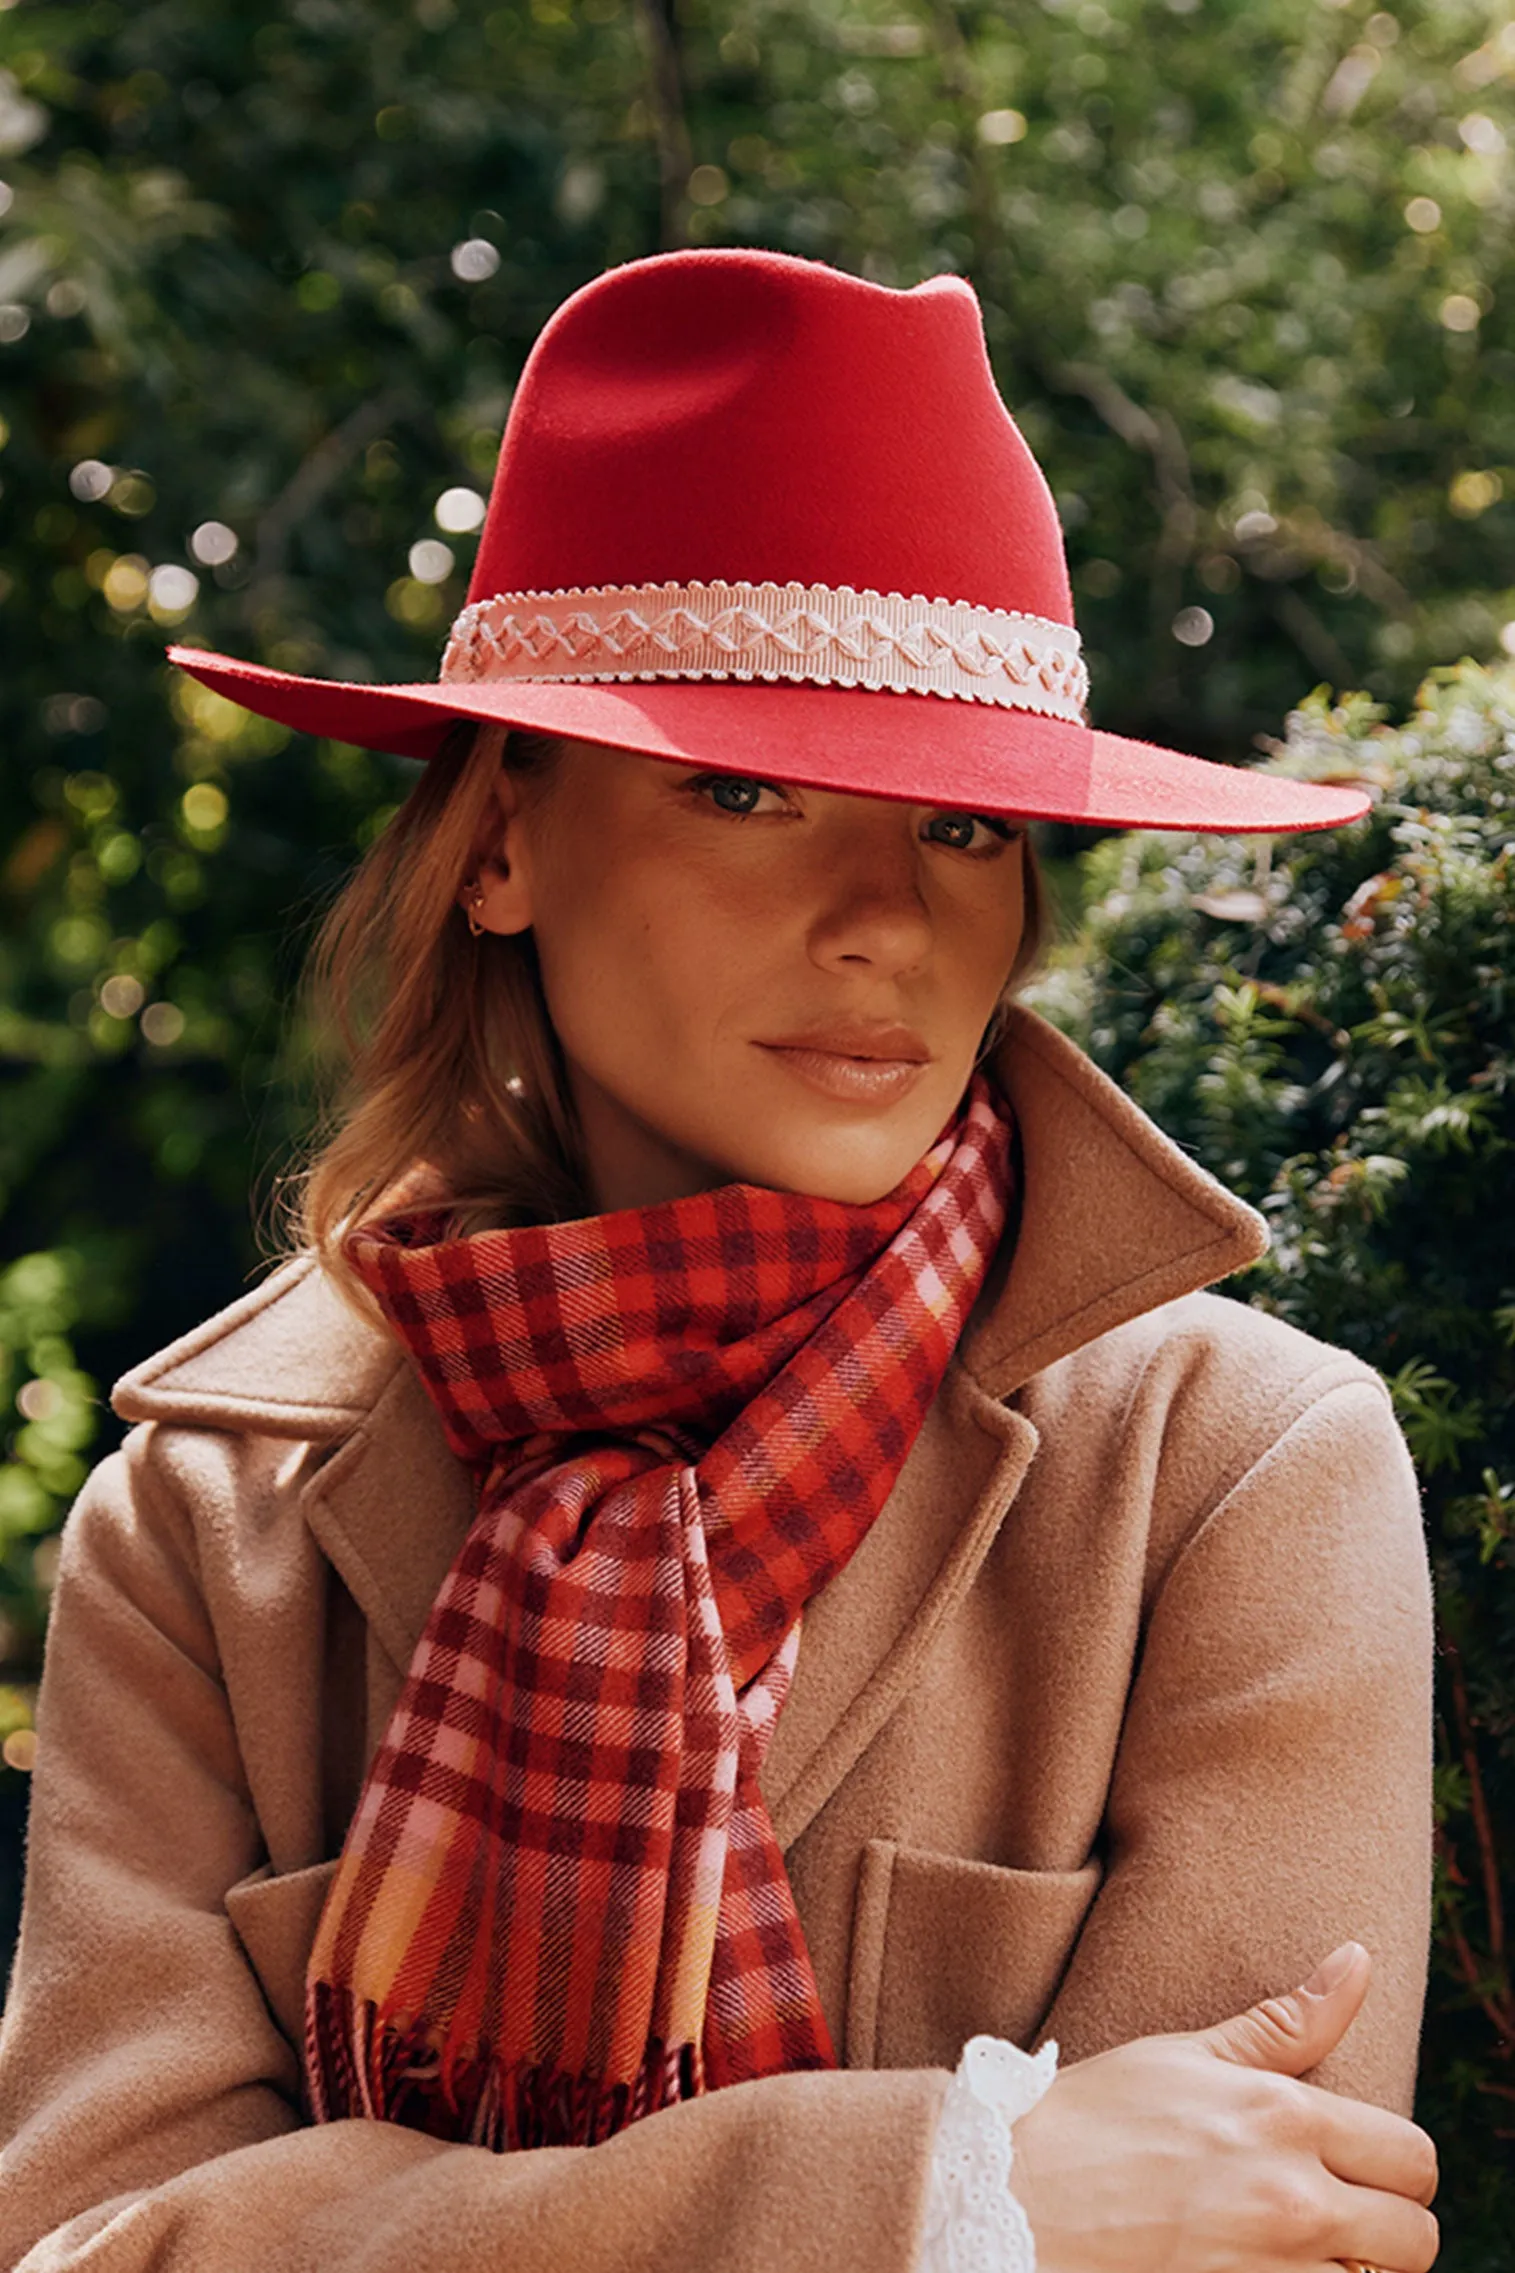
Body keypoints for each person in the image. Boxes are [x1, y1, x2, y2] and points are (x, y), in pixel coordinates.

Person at [0, 248, 1438, 2273]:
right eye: (746, 788)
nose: (884, 920)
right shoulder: (201, 1532)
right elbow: (94, 2242)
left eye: (958, 825)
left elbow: (1261, 2234)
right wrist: (948, 2194)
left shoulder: (1232, 1474)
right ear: (500, 840)